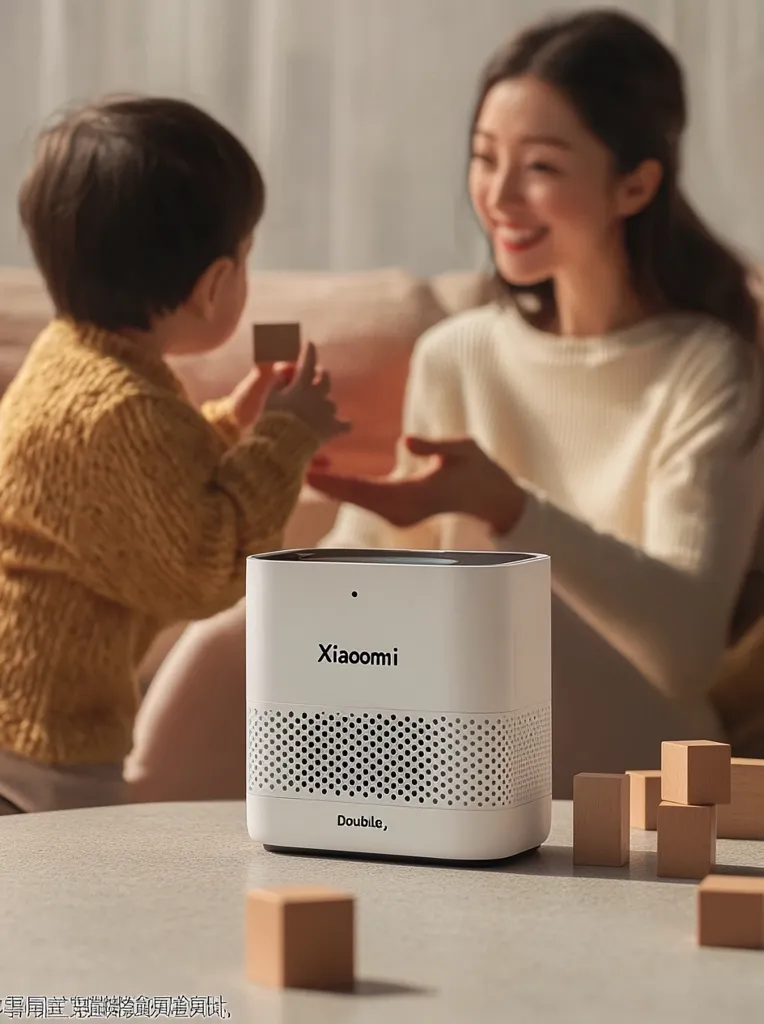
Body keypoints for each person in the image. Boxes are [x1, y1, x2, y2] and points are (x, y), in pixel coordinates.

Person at [124, 9, 764, 801]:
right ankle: (109, 834)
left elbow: (684, 651)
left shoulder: (710, 367)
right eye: (485, 158)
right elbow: (381, 559)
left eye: (542, 167)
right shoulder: (458, 354)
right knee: (251, 635)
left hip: (653, 755)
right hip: (461, 719)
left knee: (505, 616)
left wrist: (505, 507)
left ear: (634, 183)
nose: (498, 195)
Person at [0, 96, 347, 813]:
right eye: (245, 258)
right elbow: (205, 570)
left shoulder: (78, 359)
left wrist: (232, 423)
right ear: (214, 283)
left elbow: (144, 487)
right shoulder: (120, 407)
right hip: (39, 749)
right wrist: (283, 439)